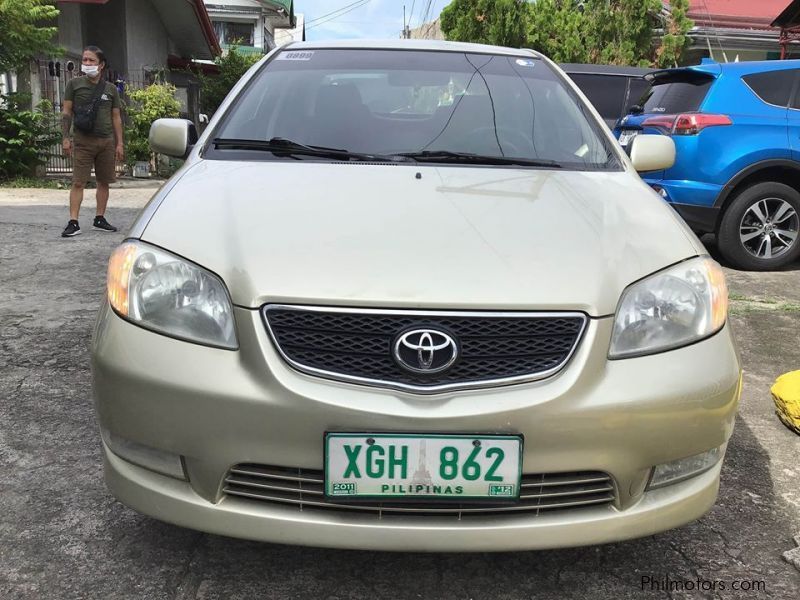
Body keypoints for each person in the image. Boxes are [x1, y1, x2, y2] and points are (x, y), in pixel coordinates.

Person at [60, 46, 124, 237]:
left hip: (106, 142)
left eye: (91, 61)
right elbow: (66, 112)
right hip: (83, 141)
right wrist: (65, 137)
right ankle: (73, 222)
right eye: (84, 60)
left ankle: (100, 218)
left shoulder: (111, 89)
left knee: (104, 181)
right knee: (78, 182)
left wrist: (120, 143)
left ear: (101, 64)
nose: (86, 64)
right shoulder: (74, 85)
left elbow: (116, 117)